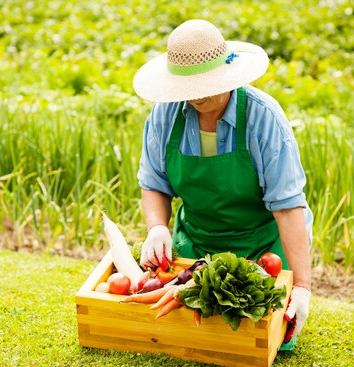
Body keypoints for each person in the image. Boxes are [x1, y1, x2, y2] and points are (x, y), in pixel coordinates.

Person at [133, 20, 313, 347]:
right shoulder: (164, 116)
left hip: (262, 250)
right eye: (190, 86)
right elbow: (154, 182)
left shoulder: (263, 118)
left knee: (268, 339)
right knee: (183, 334)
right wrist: (156, 227)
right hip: (197, 248)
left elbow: (288, 207)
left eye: (207, 82)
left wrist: (301, 286)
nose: (198, 94)